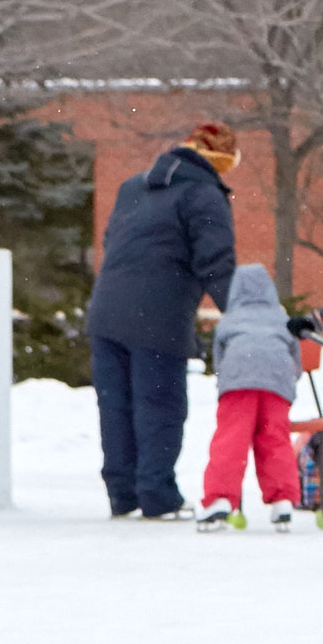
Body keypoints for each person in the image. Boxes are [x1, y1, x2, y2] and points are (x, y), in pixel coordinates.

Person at [84, 121, 238, 520]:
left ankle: (122, 494)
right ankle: (157, 495)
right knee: (159, 406)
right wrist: (244, 313)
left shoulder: (133, 186)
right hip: (158, 315)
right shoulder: (204, 195)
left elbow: (111, 243)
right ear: (219, 161)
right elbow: (216, 264)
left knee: (115, 405)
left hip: (106, 312)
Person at [195, 264, 307, 529]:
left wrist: (228, 383)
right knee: (275, 439)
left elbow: (220, 361)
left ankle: (220, 498)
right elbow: (296, 362)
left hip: (238, 381)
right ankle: (283, 501)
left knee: (231, 439)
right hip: (276, 383)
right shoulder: (281, 319)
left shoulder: (229, 321)